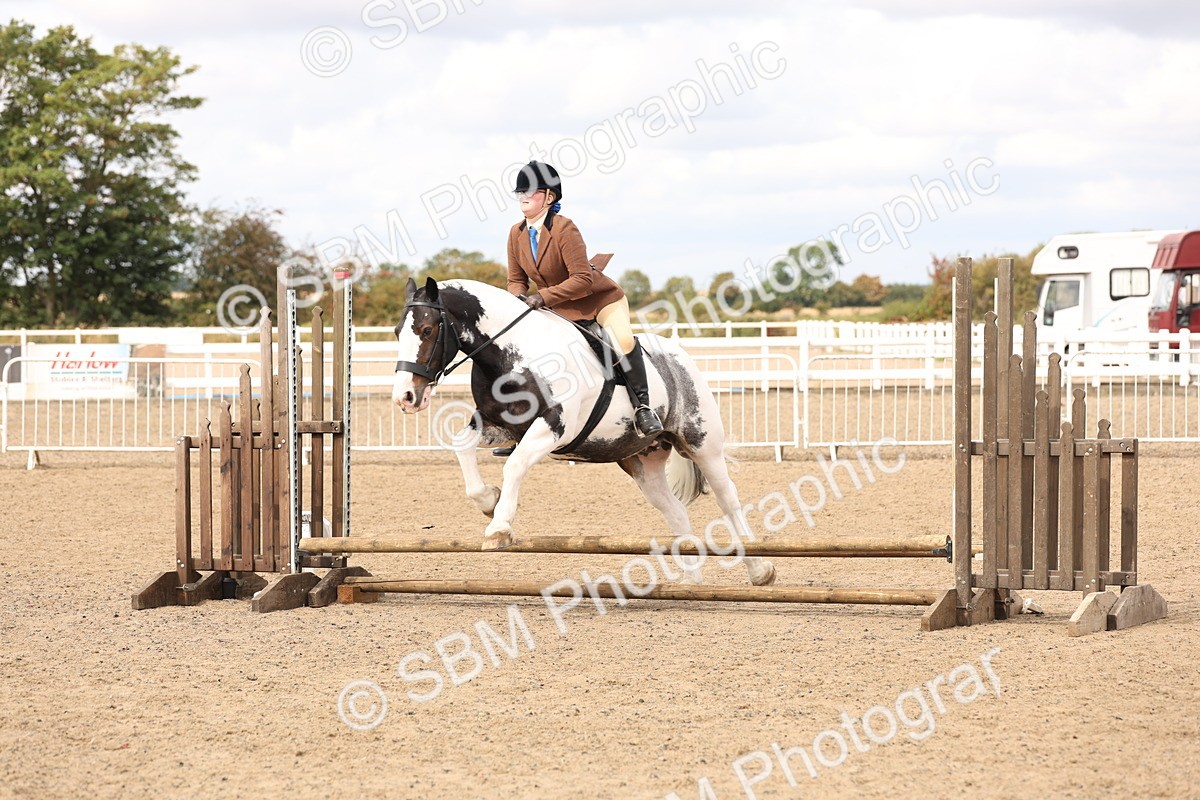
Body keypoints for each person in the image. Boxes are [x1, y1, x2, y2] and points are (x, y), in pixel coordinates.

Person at [504, 160, 663, 443]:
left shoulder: (565, 229)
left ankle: (643, 408)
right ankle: (521, 429)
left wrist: (541, 297)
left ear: (549, 197)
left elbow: (582, 279)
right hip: (556, 307)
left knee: (622, 341)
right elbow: (516, 279)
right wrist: (516, 297)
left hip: (598, 301)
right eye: (520, 192)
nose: (523, 197)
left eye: (530, 191)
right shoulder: (516, 234)